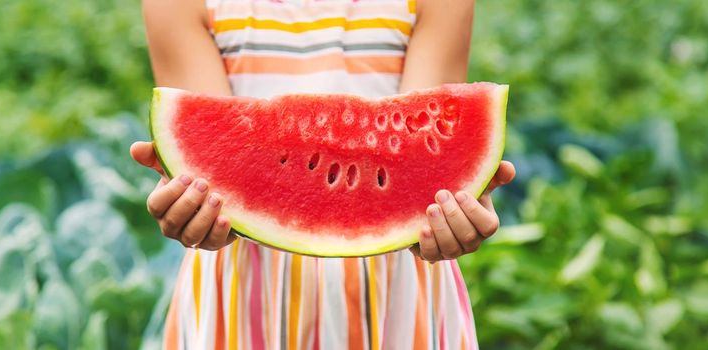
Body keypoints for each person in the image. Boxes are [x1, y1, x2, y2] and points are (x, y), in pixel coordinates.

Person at [130, 0, 516, 348]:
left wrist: (450, 206)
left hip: (398, 291)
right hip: (242, 289)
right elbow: (216, 150)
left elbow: (420, 158)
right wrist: (192, 202)